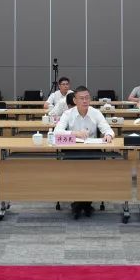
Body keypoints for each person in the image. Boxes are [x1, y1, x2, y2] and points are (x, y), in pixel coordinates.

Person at [55, 86, 115, 219]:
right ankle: (81, 203)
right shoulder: (68, 114)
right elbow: (57, 133)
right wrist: (74, 133)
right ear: (75, 100)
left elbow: (108, 130)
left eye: (87, 98)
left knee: (91, 173)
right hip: (72, 150)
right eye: (81, 98)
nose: (85, 101)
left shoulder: (95, 113)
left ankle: (83, 203)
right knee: (74, 173)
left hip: (92, 150)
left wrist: (108, 135)